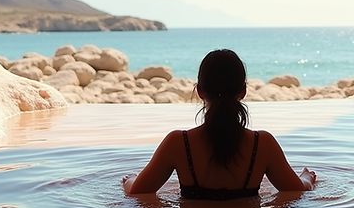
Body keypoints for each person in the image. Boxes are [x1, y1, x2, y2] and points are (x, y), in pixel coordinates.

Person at [122, 49, 316, 199]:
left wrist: (130, 180)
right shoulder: (262, 144)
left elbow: (137, 193)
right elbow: (297, 191)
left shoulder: (178, 143)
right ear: (243, 92)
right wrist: (307, 178)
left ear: (199, 91)